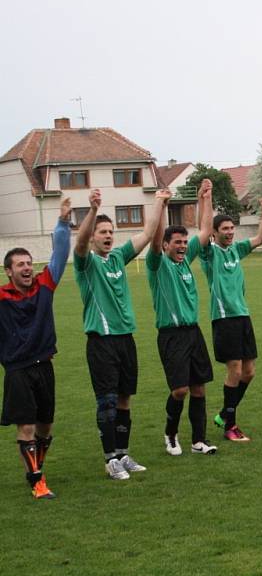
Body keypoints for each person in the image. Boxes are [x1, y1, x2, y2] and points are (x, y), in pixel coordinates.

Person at [74, 188, 170, 479]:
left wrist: (158, 201)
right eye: (102, 232)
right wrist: (91, 211)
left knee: (125, 398)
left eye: (110, 231)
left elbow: (149, 232)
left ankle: (123, 454)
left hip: (125, 338)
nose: (107, 236)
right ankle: (110, 459)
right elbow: (78, 242)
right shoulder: (86, 263)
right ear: (93, 236)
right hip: (101, 341)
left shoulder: (118, 257)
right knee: (106, 401)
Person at [1, 198, 71, 499]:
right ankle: (36, 480)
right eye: (20, 265)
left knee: (45, 427)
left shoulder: (44, 285)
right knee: (27, 427)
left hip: (45, 366)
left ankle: (37, 469)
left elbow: (59, 255)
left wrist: (63, 222)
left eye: (29, 263)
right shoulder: (1, 297)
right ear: (8, 272)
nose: (27, 268)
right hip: (18, 370)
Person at [147, 179, 218, 456]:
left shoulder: (187, 261)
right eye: (177, 242)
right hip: (171, 335)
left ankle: (199, 441)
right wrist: (161, 205)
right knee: (180, 391)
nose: (182, 246)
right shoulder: (157, 265)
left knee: (199, 388)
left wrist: (205, 198)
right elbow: (153, 240)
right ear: (166, 245)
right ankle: (170, 434)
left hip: (193, 333)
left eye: (184, 242)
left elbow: (206, 229)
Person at [201, 194, 262, 442]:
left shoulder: (236, 250)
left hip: (243, 316)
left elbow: (261, 237)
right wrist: (207, 200)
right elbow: (204, 228)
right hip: (223, 318)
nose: (230, 232)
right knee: (235, 369)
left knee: (249, 372)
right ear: (215, 232)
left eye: (232, 228)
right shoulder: (210, 253)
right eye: (225, 229)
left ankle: (223, 414)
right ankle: (231, 425)